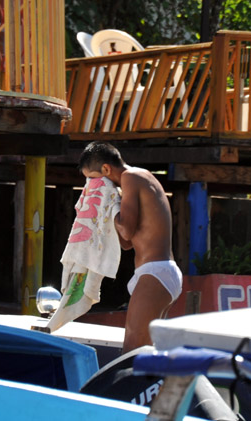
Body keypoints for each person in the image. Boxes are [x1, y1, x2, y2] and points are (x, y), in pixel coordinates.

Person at [78, 142, 182, 353]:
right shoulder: (139, 177)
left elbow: (125, 230)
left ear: (106, 169)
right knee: (148, 353)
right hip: (155, 273)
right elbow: (127, 242)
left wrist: (110, 207)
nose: (93, 185)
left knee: (131, 352)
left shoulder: (131, 177)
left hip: (156, 274)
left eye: (93, 178)